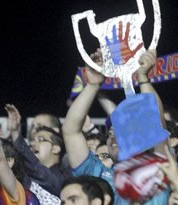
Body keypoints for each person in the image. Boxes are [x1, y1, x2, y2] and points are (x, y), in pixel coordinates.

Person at [62, 49, 169, 204]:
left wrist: (143, 78)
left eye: (121, 132)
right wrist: (93, 85)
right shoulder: (97, 175)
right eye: (111, 133)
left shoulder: (157, 171)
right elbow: (70, 131)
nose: (113, 137)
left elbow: (157, 125)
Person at [5, 104, 68, 202]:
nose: (33, 144)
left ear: (56, 148)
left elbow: (37, 169)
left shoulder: (64, 177)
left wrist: (15, 133)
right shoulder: (25, 176)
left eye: (41, 139)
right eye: (33, 140)